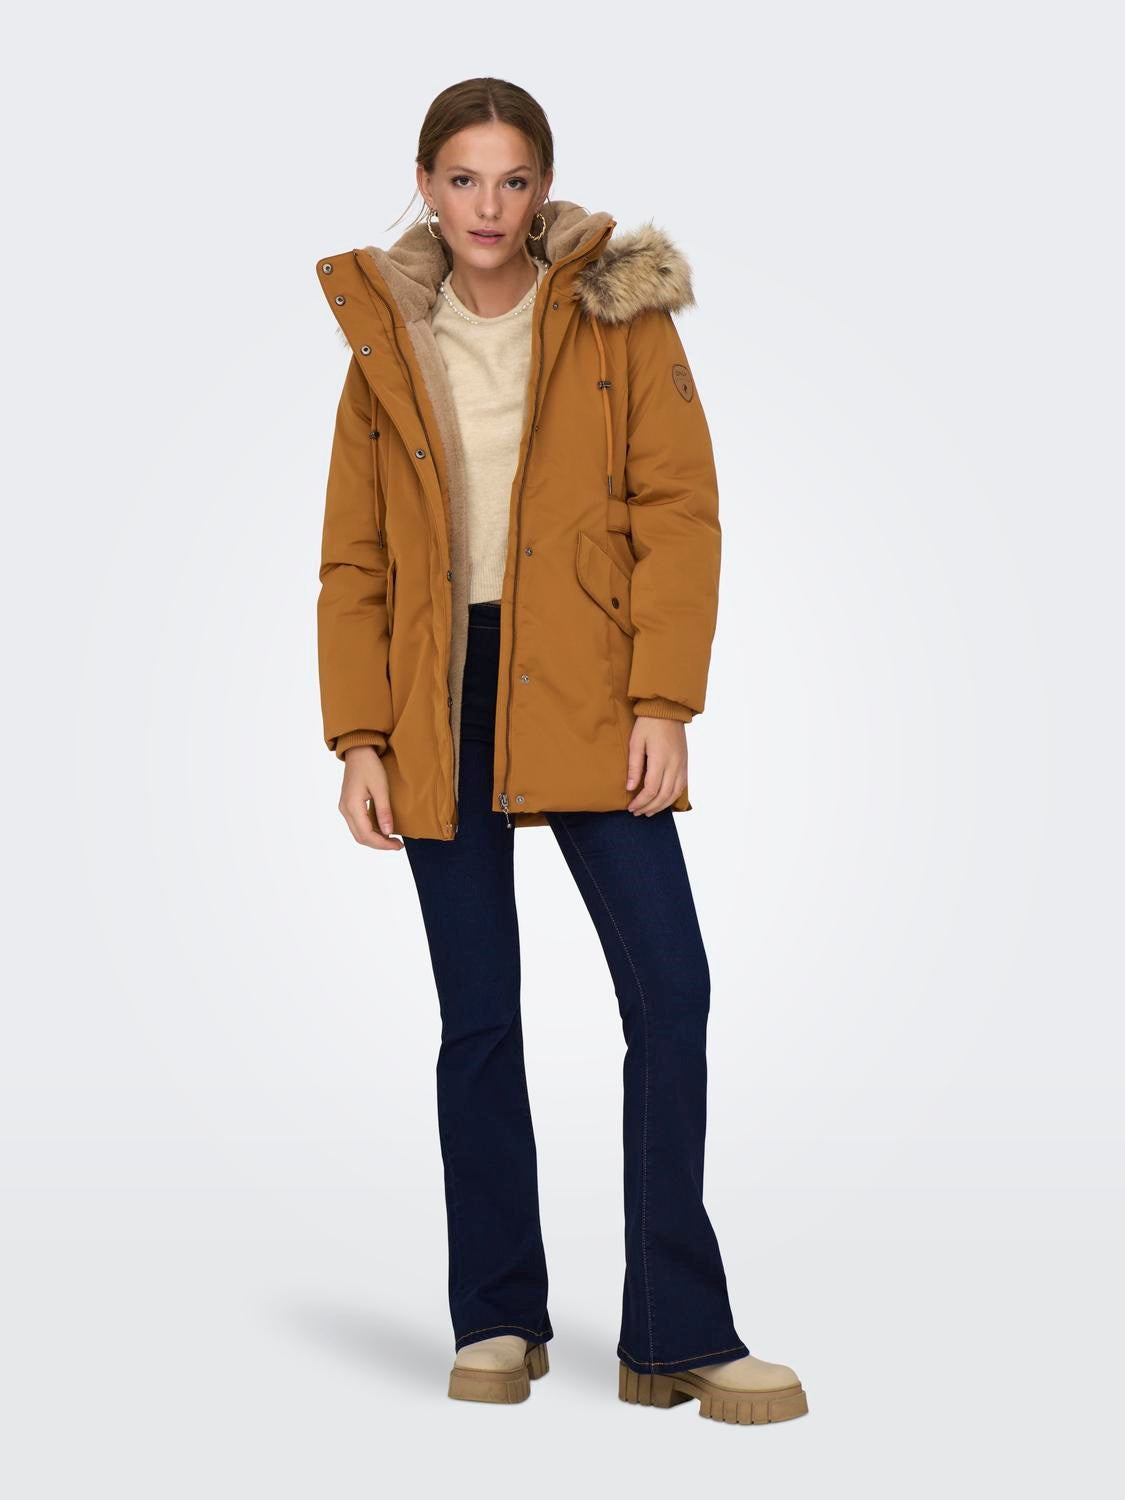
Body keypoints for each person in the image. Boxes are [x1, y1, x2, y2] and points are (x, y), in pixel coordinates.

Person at [314, 77, 808, 1426]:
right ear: (426, 186)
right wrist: (359, 735)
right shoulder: (382, 343)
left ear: (542, 190)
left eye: (513, 179)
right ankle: (496, 1317)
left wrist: (663, 701)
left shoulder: (612, 316)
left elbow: (680, 510)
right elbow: (353, 560)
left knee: (670, 992)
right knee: (477, 1017)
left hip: (589, 689)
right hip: (439, 700)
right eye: (462, 178)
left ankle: (675, 1333)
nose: (488, 205)